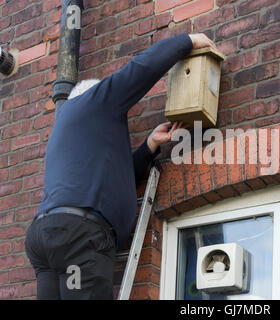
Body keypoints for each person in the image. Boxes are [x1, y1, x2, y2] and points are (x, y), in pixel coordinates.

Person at [25, 33, 219, 300]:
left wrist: (149, 145)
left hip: (45, 238)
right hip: (77, 238)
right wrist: (187, 40)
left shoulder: (67, 125)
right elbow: (140, 70)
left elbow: (116, 176)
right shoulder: (97, 100)